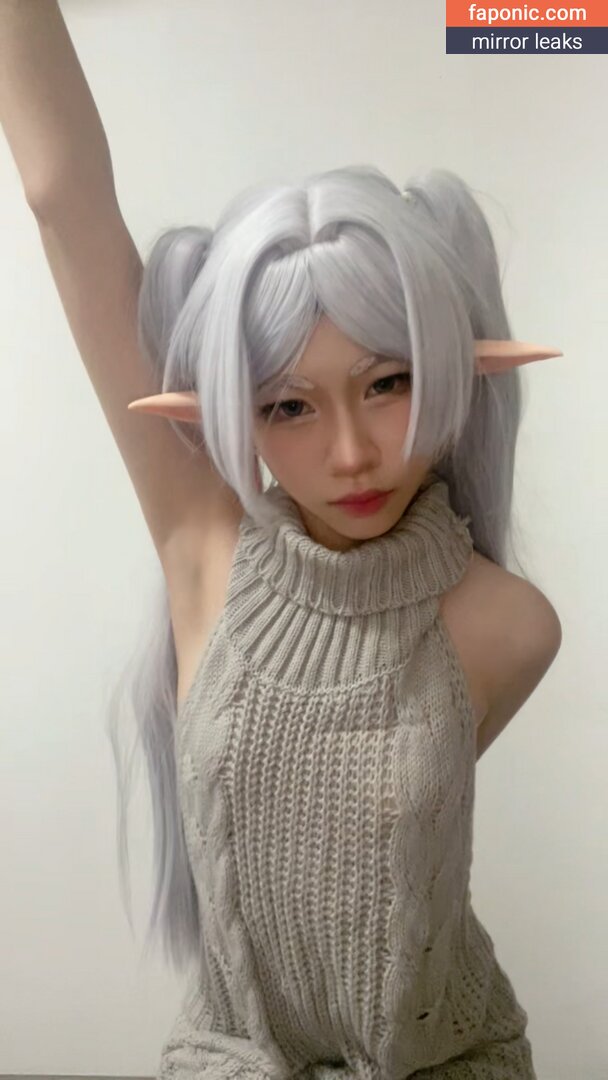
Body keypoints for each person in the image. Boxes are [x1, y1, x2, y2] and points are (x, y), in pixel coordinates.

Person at [0, 3, 563, 1077]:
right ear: (229, 413)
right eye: (287, 406)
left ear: (455, 370)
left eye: (387, 384)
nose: (351, 453)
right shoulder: (205, 553)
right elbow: (59, 196)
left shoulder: (510, 626)